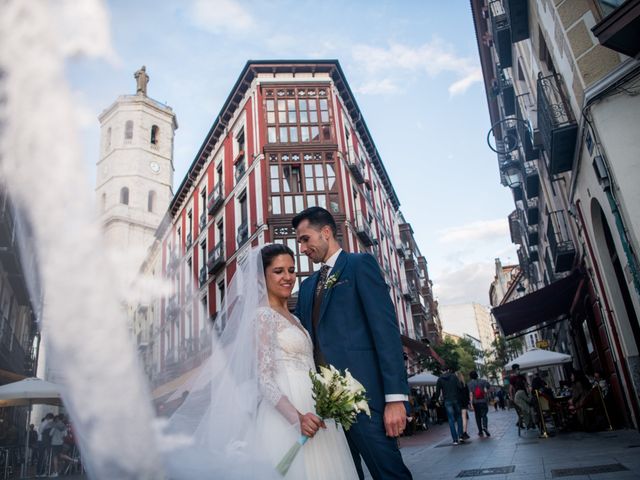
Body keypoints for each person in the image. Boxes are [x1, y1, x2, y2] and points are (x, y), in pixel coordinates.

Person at [163, 244, 358, 479]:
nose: (288, 277)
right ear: (261, 276)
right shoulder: (262, 317)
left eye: (291, 270)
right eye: (278, 271)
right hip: (288, 414)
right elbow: (264, 379)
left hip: (315, 407)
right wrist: (297, 419)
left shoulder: (295, 318)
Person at [293, 207, 412, 480]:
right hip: (326, 407)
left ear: (326, 232)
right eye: (299, 242)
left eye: (305, 239)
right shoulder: (308, 286)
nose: (302, 248)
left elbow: (385, 332)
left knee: (389, 473)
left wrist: (395, 399)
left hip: (366, 401)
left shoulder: (359, 265)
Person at [434, 365, 464, 445]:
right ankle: (460, 436)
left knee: (451, 420)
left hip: (447, 401)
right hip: (456, 399)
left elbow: (437, 392)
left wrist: (436, 400)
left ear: (441, 371)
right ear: (448, 370)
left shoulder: (440, 379)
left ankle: (454, 440)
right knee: (459, 417)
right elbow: (460, 387)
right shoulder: (454, 376)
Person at [468, 371, 491, 437]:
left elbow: (471, 394)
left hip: (476, 402)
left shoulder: (469, 384)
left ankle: (480, 431)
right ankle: (485, 426)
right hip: (483, 401)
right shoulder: (483, 381)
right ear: (477, 375)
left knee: (477, 417)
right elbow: (488, 388)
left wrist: (471, 404)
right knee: (484, 415)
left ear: (470, 377)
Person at [509, 364, 532, 428]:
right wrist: (511, 397)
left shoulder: (522, 376)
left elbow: (526, 385)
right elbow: (510, 389)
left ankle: (521, 422)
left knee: (525, 409)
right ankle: (528, 423)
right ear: (514, 370)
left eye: (519, 369)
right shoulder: (512, 378)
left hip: (525, 394)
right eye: (517, 369)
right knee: (524, 409)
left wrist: (529, 390)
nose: (518, 370)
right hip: (518, 396)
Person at [455, 371, 470, 440]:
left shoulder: (455, 385)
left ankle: (460, 433)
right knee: (464, 417)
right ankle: (464, 432)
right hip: (464, 402)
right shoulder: (464, 384)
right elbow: (467, 394)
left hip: (457, 402)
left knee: (459, 418)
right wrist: (468, 402)